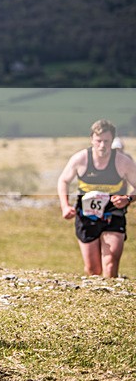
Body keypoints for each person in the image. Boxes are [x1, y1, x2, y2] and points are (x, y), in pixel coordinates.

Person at [57, 119, 136, 278]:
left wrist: (127, 199)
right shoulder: (80, 159)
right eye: (98, 141)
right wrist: (65, 206)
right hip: (87, 216)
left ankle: (112, 297)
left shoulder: (123, 162)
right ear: (92, 139)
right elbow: (63, 180)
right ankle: (97, 294)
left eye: (106, 141)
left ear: (112, 141)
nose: (102, 145)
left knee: (111, 262)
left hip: (113, 214)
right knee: (93, 270)